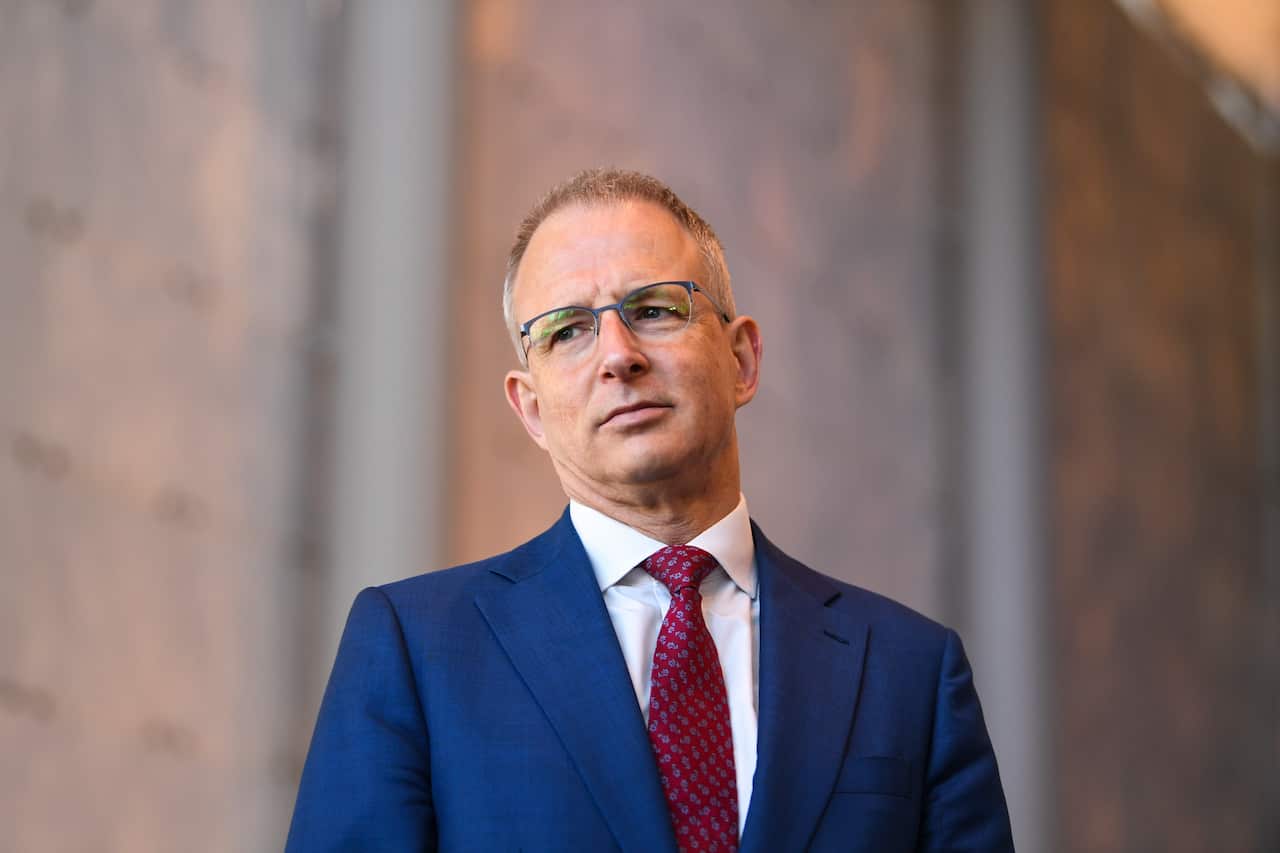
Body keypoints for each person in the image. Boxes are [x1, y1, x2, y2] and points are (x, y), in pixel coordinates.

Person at [285, 168, 1014, 852]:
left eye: (655, 309)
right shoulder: (417, 650)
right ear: (530, 408)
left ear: (742, 360)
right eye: (567, 330)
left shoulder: (910, 670)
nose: (618, 355)